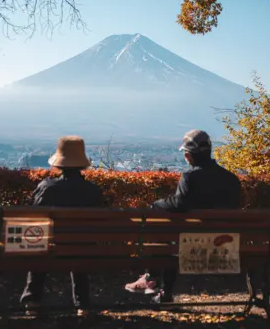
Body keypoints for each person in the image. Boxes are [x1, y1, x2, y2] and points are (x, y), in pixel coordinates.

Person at [124, 129, 241, 303]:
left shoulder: (190, 177)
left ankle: (154, 282)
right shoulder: (232, 180)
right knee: (171, 239)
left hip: (192, 244)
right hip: (226, 245)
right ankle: (153, 281)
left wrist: (156, 204)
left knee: (167, 239)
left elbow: (180, 204)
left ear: (188, 156)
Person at [20, 136, 104, 314]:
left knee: (40, 246)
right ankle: (83, 304)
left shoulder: (47, 188)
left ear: (59, 163)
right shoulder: (93, 191)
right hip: (84, 248)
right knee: (79, 246)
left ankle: (33, 300)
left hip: (51, 246)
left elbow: (33, 217)